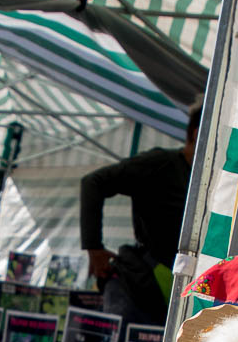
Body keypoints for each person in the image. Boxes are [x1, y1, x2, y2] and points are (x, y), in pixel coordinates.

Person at [78, 102, 201, 325]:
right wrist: (93, 247)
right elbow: (93, 182)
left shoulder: (205, 182)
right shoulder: (159, 164)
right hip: (137, 288)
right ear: (196, 133)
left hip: (172, 292)